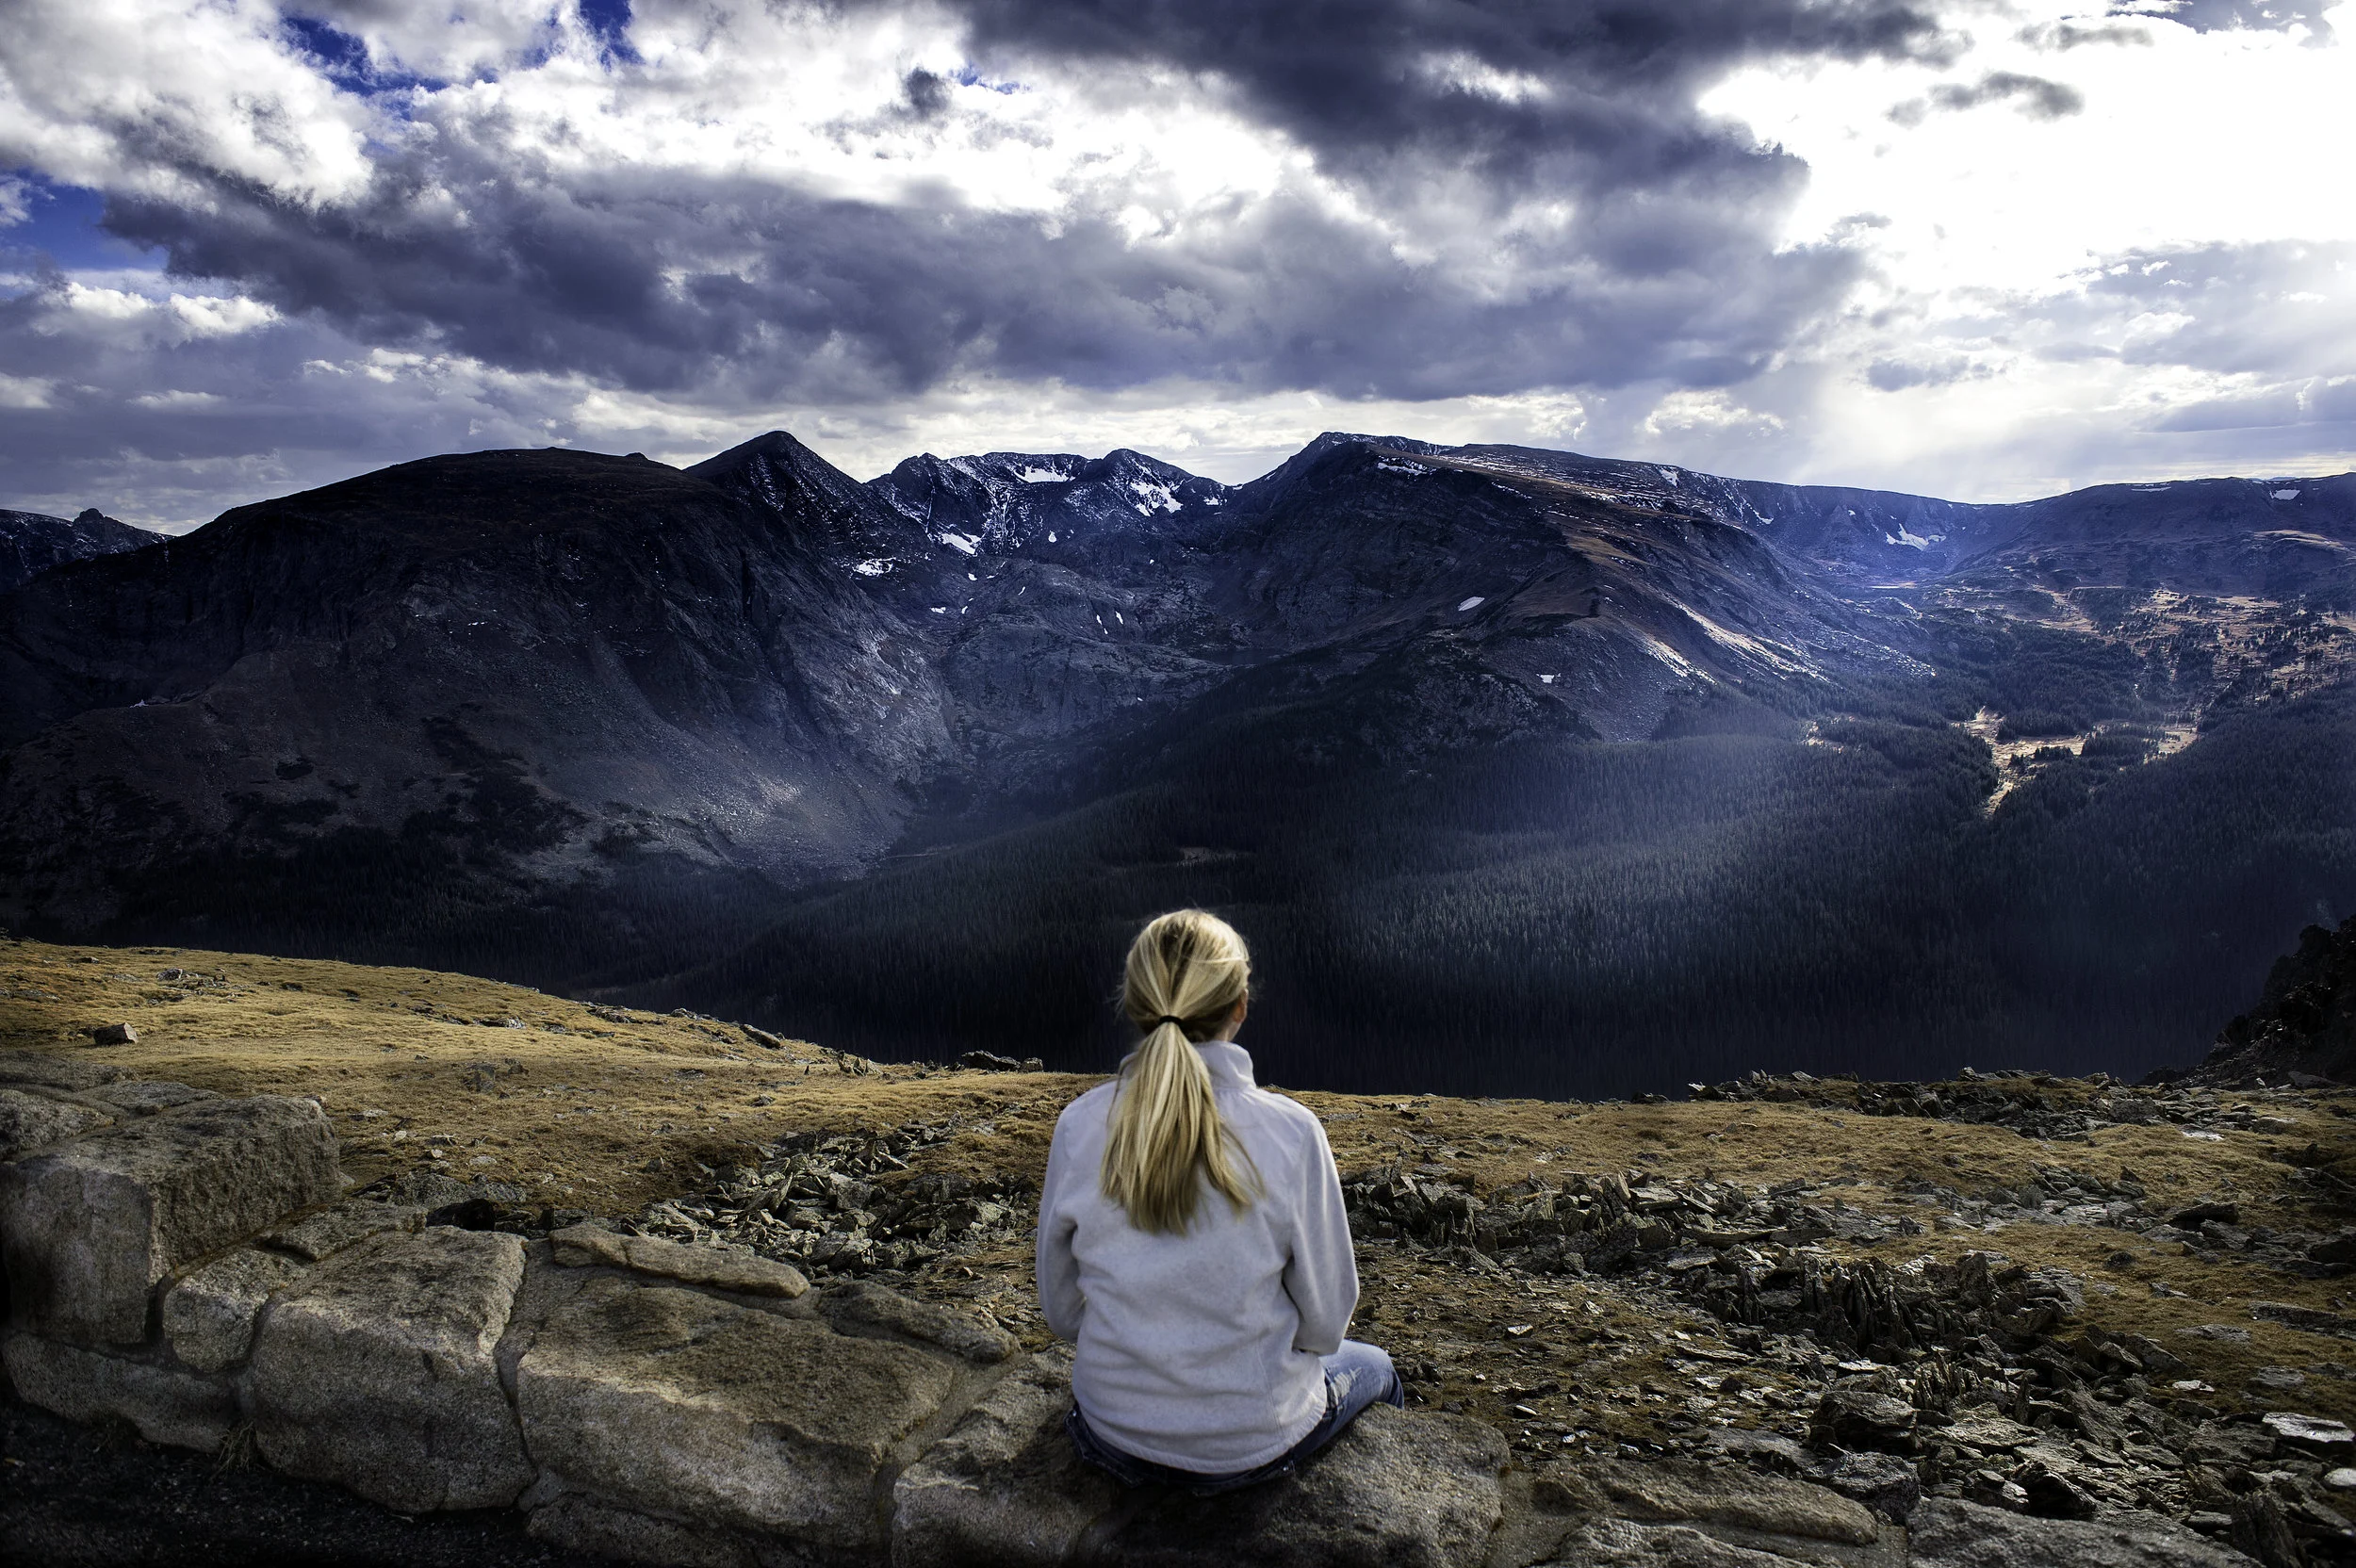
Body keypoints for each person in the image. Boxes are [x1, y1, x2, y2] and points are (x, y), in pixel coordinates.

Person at [1035, 908, 1404, 1494]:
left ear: (1136, 1003)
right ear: (1239, 1007)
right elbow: (1327, 1324)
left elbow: (1062, 1311)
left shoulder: (1081, 1126)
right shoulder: (1291, 1133)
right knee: (1378, 1368)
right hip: (1251, 1441)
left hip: (1111, 1430)